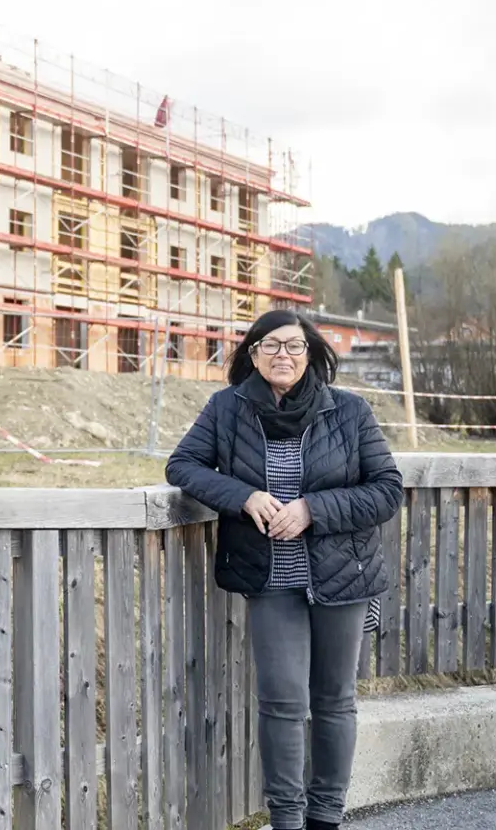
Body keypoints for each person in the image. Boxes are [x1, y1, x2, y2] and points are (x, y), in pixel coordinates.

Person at [165, 310, 402, 830]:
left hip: (343, 576)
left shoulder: (349, 410)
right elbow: (182, 465)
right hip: (269, 578)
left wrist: (314, 509)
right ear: (253, 354)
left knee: (335, 700)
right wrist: (243, 496)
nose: (283, 355)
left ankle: (326, 817)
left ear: (310, 353)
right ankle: (288, 820)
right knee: (281, 701)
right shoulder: (227, 408)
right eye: (270, 345)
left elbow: (387, 489)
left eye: (294, 346)